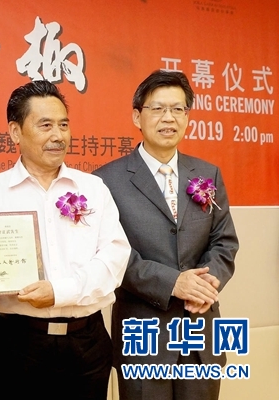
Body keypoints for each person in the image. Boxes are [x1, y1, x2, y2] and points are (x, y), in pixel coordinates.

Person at [0, 80, 131, 400]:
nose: (58, 135)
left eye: (63, 125)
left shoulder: (93, 188)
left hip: (88, 340)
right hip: (20, 342)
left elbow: (114, 257)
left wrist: (59, 291)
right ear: (15, 132)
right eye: (45, 125)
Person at [93, 70, 239, 400]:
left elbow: (224, 241)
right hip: (143, 338)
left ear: (187, 117)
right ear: (137, 116)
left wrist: (206, 284)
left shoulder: (208, 173)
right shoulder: (106, 181)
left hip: (200, 333)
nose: (168, 118)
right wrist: (173, 283)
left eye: (177, 109)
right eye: (158, 109)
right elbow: (112, 253)